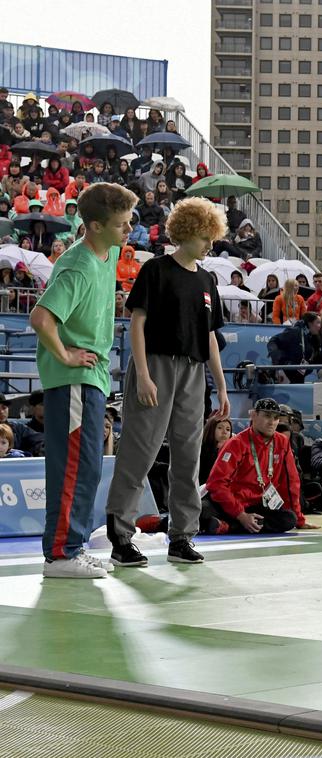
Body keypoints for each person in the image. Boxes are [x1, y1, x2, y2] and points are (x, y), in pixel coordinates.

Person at [104, 198, 231, 567]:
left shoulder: (207, 280)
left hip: (193, 373)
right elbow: (137, 324)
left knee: (188, 458)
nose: (211, 244)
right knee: (138, 453)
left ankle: (182, 536)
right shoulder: (156, 270)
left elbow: (209, 337)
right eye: (207, 236)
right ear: (189, 231)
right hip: (156, 366)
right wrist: (142, 373)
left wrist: (221, 386)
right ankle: (121, 537)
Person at [30, 182, 138, 578]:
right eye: (121, 224)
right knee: (75, 465)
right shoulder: (78, 266)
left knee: (88, 464)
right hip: (74, 379)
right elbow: (41, 318)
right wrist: (65, 355)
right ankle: (61, 553)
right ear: (94, 226)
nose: (129, 231)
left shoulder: (106, 253)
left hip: (91, 378)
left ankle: (69, 546)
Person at [204, 399, 312, 533]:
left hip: (259, 505)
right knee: (200, 510)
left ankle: (227, 527)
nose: (272, 422)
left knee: (289, 519)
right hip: (231, 504)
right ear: (254, 415)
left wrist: (299, 520)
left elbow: (290, 483)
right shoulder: (236, 443)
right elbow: (216, 483)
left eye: (276, 418)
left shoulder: (282, 442)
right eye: (267, 416)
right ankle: (233, 524)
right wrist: (241, 515)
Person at [268, 311, 321, 383]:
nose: (320, 326)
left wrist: (307, 369)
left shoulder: (312, 338)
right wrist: (278, 360)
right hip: (284, 375)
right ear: (310, 323)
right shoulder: (294, 332)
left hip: (298, 377)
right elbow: (272, 341)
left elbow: (311, 360)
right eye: (318, 322)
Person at [199, 415, 233, 484]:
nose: (224, 432)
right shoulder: (201, 451)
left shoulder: (233, 452)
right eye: (220, 428)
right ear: (211, 429)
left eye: (228, 429)